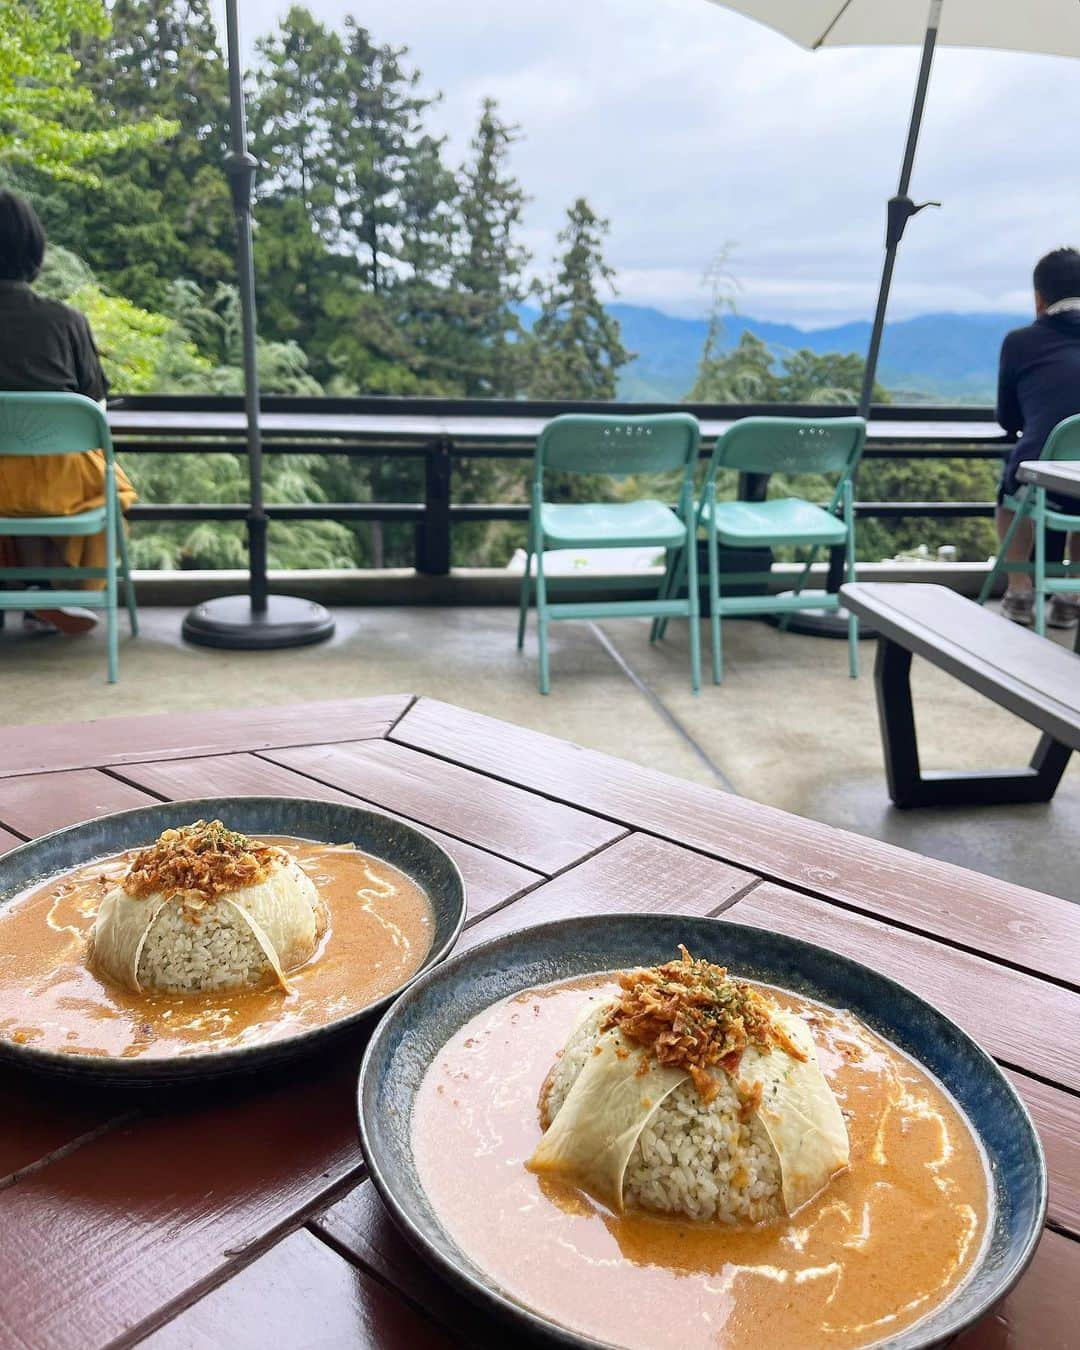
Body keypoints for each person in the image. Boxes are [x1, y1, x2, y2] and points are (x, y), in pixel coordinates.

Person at [0, 188, 136, 635]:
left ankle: (18, 589)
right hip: (57, 485)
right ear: (32, 249)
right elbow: (92, 403)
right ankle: (49, 589)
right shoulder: (65, 321)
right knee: (91, 481)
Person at [995, 247, 1080, 627]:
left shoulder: (1020, 342)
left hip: (1039, 474)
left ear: (1039, 298)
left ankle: (1019, 590)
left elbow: (1007, 419)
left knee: (1009, 494)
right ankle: (1070, 595)